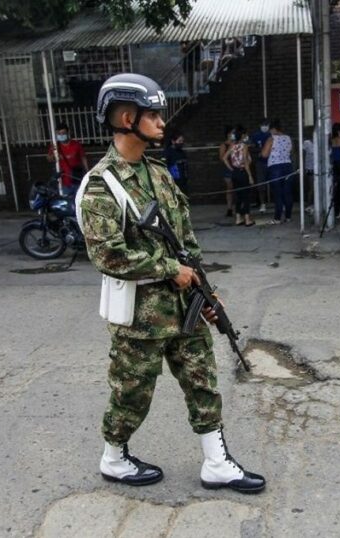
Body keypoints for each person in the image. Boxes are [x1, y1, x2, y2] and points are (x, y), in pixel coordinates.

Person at [78, 73, 265, 493]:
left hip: (185, 307)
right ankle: (114, 459)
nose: (162, 123)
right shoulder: (101, 185)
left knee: (203, 381)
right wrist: (168, 269)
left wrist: (204, 289)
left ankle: (217, 463)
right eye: (154, 115)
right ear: (127, 118)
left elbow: (185, 240)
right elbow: (107, 255)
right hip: (140, 318)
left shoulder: (158, 173)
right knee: (132, 393)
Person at [261, 119, 294, 224]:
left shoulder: (271, 139)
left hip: (275, 167)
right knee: (287, 193)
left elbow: (264, 154)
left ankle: (277, 218)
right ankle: (288, 217)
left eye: (270, 130)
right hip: (288, 166)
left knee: (278, 194)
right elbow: (291, 151)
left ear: (274, 129)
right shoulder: (288, 138)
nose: (270, 132)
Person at [223, 127, 255, 226]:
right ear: (242, 136)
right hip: (243, 172)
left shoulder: (232, 145)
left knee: (238, 195)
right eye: (244, 135)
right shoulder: (244, 146)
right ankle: (247, 219)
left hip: (235, 173)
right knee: (246, 196)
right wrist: (250, 175)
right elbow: (245, 161)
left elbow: (224, 158)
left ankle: (238, 218)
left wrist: (231, 168)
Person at [47, 123, 89, 192]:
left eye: (63, 133)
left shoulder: (76, 144)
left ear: (68, 132)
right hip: (63, 181)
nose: (61, 135)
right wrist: (53, 154)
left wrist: (87, 171)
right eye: (59, 134)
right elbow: (49, 159)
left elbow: (83, 158)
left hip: (77, 178)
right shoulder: (55, 146)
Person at [249, 119, 271, 213]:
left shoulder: (272, 135)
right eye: (263, 124)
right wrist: (262, 150)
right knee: (261, 184)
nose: (265, 126)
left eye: (266, 124)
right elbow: (250, 148)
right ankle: (262, 204)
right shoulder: (255, 135)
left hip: (272, 162)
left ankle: (280, 203)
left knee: (276, 182)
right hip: (260, 162)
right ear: (259, 125)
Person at [218, 126, 236, 217]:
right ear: (228, 134)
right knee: (230, 188)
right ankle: (229, 208)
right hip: (228, 169)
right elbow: (222, 158)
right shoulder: (224, 145)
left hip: (236, 168)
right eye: (232, 133)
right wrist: (229, 151)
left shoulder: (237, 143)